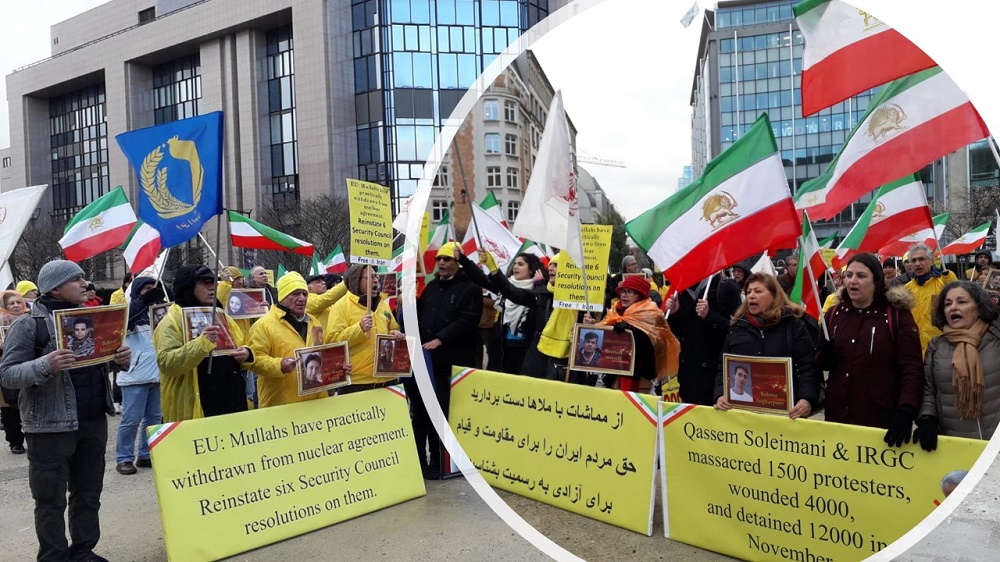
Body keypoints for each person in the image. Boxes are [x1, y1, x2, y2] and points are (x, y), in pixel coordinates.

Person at [0, 260, 131, 562]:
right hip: (49, 426)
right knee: (50, 500)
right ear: (55, 288)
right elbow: (7, 374)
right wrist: (45, 364)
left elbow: (95, 364)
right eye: (77, 279)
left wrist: (119, 360)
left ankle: (84, 552)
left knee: (88, 494)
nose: (85, 284)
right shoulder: (29, 325)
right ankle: (54, 557)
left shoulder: (92, 319)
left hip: (93, 420)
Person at [820, 253, 924, 443]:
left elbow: (912, 368)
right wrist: (822, 357)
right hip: (837, 418)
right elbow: (817, 360)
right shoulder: (834, 314)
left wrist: (906, 409)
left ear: (876, 281)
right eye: (849, 275)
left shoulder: (896, 315)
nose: (853, 280)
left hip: (880, 420)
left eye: (861, 276)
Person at [412, 243, 482, 479]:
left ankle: (443, 462)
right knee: (423, 413)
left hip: (452, 364)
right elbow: (422, 316)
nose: (441, 262)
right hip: (428, 362)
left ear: (457, 263)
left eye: (447, 259)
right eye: (439, 259)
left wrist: (441, 338)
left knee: (444, 413)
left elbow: (467, 320)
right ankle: (425, 462)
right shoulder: (431, 287)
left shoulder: (470, 289)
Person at [155, 264, 254, 421]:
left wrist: (246, 353)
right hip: (198, 408)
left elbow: (242, 344)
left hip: (232, 403)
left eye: (213, 282)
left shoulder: (220, 314)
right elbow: (167, 363)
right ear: (188, 286)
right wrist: (201, 344)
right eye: (204, 283)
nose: (212, 287)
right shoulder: (170, 322)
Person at [713, 273, 819, 419]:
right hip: (743, 414)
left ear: (774, 297)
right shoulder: (737, 326)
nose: (751, 296)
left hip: (786, 414)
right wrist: (720, 394)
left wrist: (806, 399)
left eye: (758, 291)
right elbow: (723, 367)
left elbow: (808, 367)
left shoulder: (793, 325)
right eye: (748, 292)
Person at [915, 281, 1000, 450]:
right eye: (948, 304)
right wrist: (927, 418)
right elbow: (928, 390)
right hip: (956, 445)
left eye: (962, 302)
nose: (953, 308)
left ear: (979, 307)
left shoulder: (996, 338)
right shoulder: (936, 346)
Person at [457, 251, 551, 377]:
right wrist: (463, 260)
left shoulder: (539, 292)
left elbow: (515, 293)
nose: (515, 267)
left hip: (525, 351)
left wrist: (540, 286)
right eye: (515, 264)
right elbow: (482, 279)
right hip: (502, 348)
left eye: (521, 264)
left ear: (531, 270)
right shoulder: (505, 286)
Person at [247, 272, 332, 407]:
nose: (302, 298)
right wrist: (279, 365)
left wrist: (338, 368)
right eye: (295, 294)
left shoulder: (314, 323)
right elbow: (254, 360)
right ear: (282, 297)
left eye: (304, 294)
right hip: (282, 406)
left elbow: (322, 354)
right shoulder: (263, 325)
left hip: (316, 403)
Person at [589, 275, 680, 392]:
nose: (624, 295)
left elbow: (656, 344)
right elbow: (602, 337)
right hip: (614, 375)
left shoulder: (651, 313)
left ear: (640, 295)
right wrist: (591, 326)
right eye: (622, 291)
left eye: (629, 292)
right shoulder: (614, 311)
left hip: (640, 377)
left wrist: (631, 329)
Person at [666, 271, 741, 405]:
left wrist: (709, 316)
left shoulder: (726, 287)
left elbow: (736, 330)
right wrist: (675, 313)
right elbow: (683, 332)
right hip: (689, 378)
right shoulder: (683, 290)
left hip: (715, 381)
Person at [114, 277, 164, 476]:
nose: (151, 291)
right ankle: (124, 458)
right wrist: (142, 301)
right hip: (134, 376)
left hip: (157, 375)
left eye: (154, 288)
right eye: (146, 289)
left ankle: (145, 454)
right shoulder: (128, 310)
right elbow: (123, 324)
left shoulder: (159, 312)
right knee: (131, 420)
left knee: (154, 419)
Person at [327, 264, 403, 393]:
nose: (376, 280)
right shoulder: (341, 307)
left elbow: (392, 329)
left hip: (388, 379)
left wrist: (394, 334)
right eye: (370, 277)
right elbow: (332, 342)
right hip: (358, 382)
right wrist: (360, 328)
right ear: (356, 280)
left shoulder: (383, 305)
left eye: (376, 277)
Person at [905, 243, 959, 356]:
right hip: (914, 348)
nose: (917, 263)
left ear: (932, 261)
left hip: (940, 347)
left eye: (921, 259)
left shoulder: (943, 282)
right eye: (913, 260)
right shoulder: (907, 289)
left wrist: (948, 277)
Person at [0, 290, 28, 454]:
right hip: (5, 370)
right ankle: (15, 441)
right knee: (9, 409)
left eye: (18, 302)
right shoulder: (1, 320)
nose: (16, 306)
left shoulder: (30, 318)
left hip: (26, 368)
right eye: (11, 303)